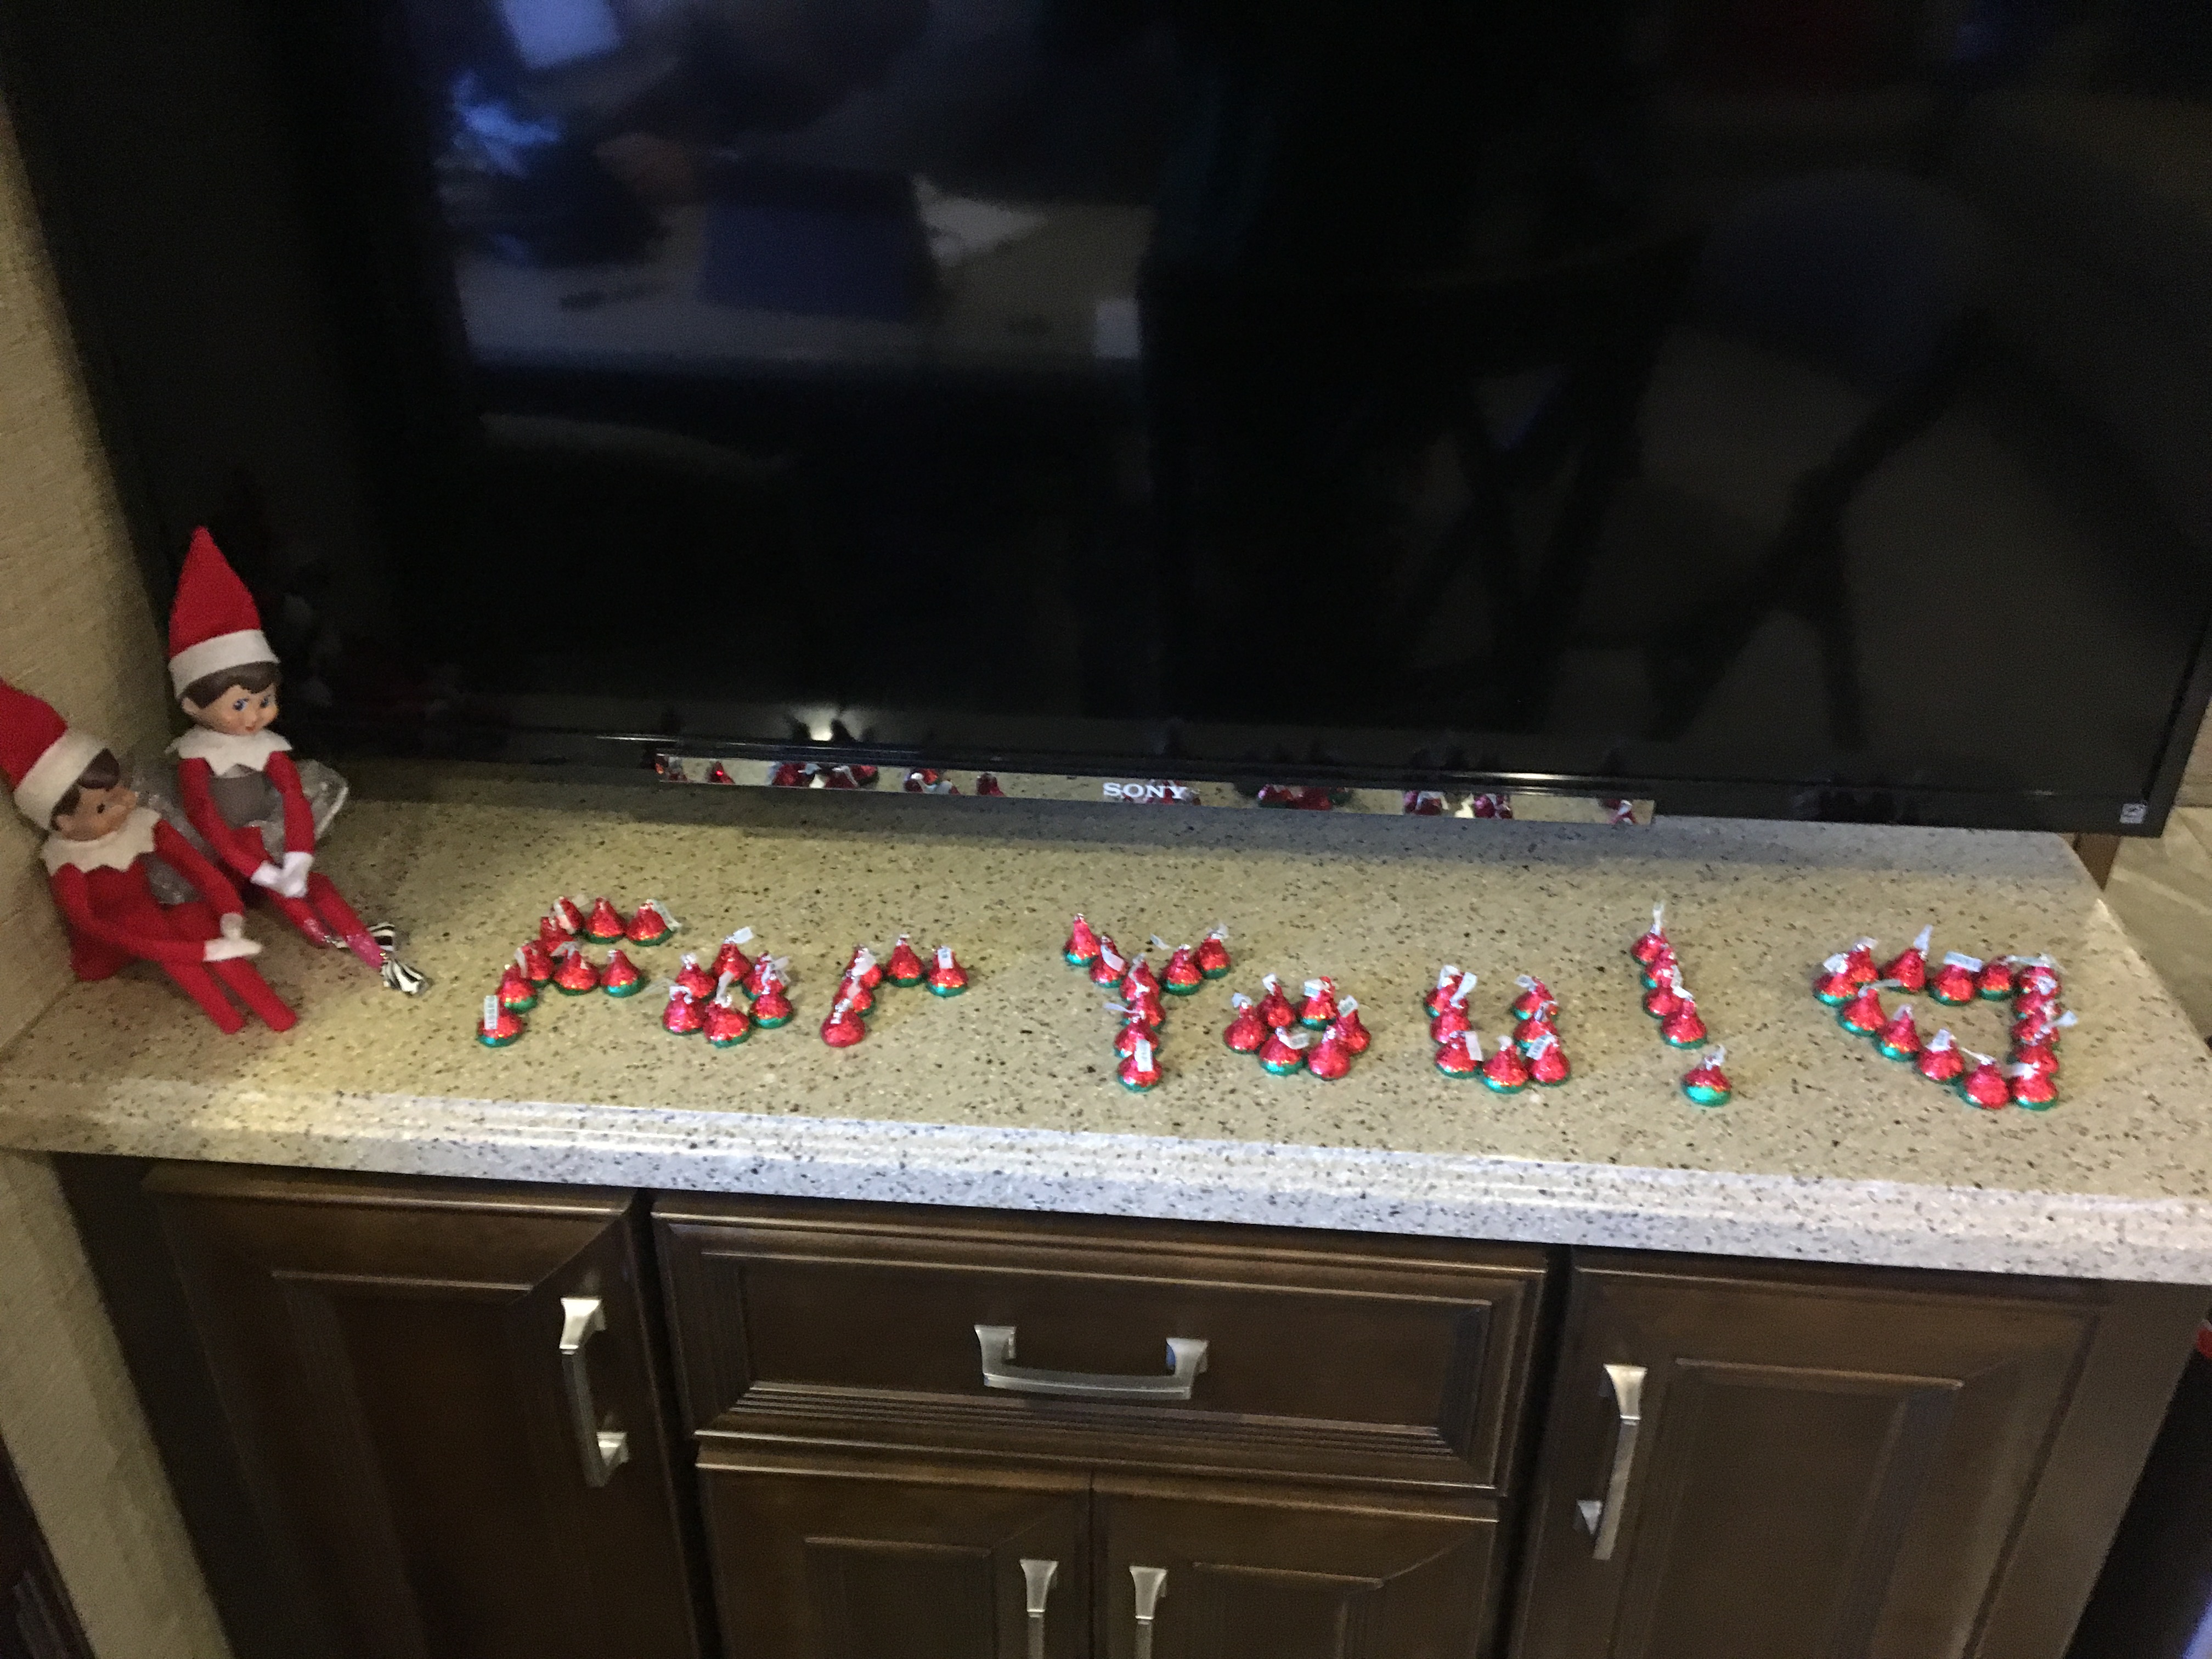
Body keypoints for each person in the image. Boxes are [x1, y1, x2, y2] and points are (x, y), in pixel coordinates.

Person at [0, 677, 295, 1035]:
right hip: (118, 938)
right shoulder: (67, 863)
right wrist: (198, 953)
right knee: (159, 931)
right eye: (103, 806)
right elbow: (93, 924)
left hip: (152, 914)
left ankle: (274, 1012)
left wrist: (228, 911)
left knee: (196, 919)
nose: (127, 803)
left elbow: (197, 868)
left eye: (120, 789)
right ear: (64, 823)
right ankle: (228, 1018)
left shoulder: (141, 825)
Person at [165, 528, 383, 972]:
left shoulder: (266, 746)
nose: (255, 716)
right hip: (218, 845)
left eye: (265, 701)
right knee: (217, 890)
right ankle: (289, 915)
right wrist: (258, 870)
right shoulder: (196, 756)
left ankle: (339, 934)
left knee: (295, 876)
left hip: (259, 833)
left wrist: (299, 857)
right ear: (192, 705)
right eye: (239, 705)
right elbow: (204, 815)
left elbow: (293, 796)